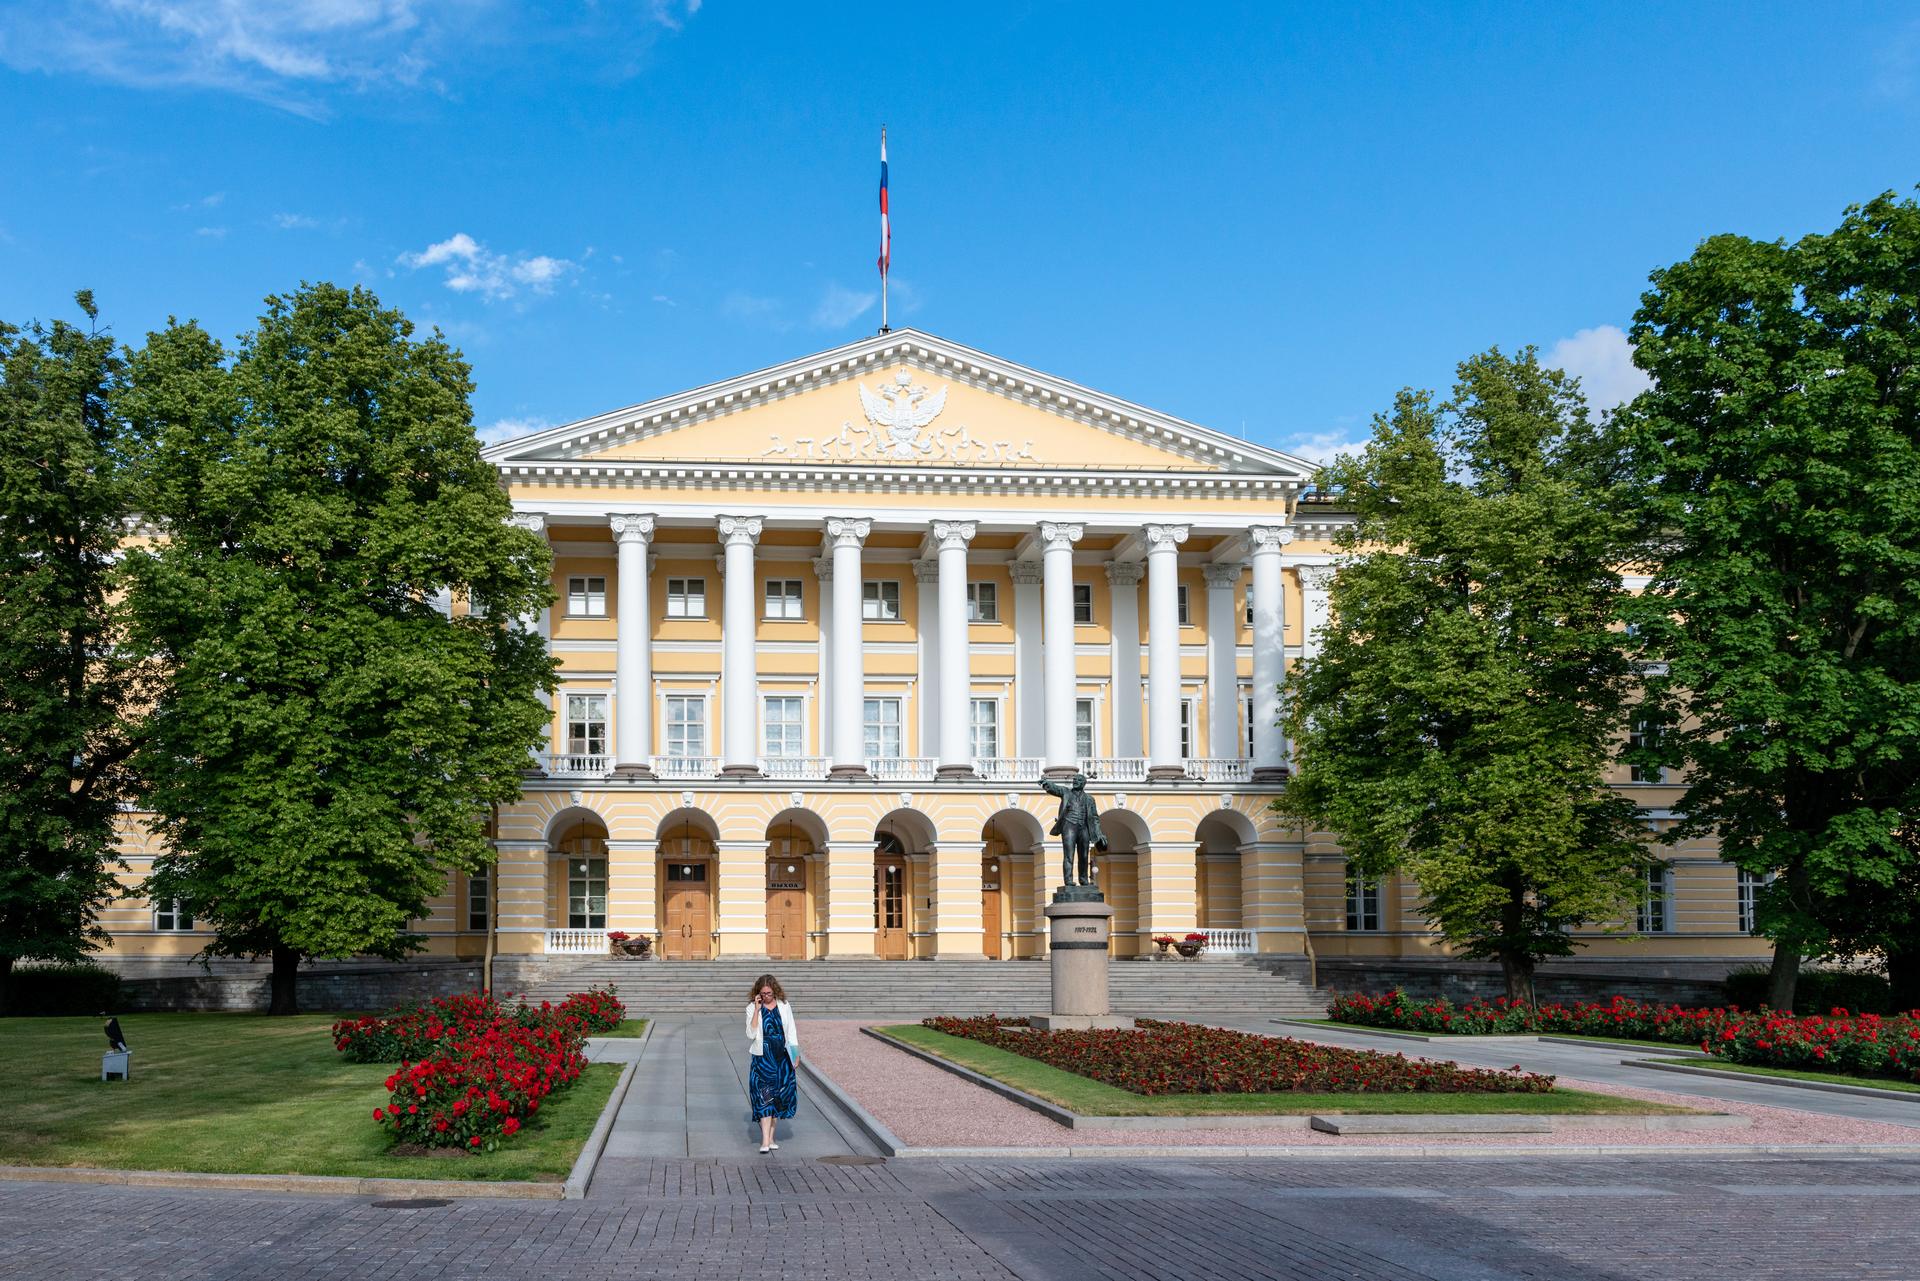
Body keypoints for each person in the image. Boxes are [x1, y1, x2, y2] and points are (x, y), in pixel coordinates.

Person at [744, 973, 799, 1154]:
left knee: (777, 1099)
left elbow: (791, 1031)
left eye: (769, 993)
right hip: (763, 1060)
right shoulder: (752, 1008)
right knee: (764, 1099)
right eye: (763, 993)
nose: (766, 996)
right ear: (757, 993)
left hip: (781, 1058)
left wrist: (795, 1054)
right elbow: (751, 1035)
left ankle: (771, 1137)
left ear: (774, 990)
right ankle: (765, 1140)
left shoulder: (784, 1006)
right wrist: (757, 1010)